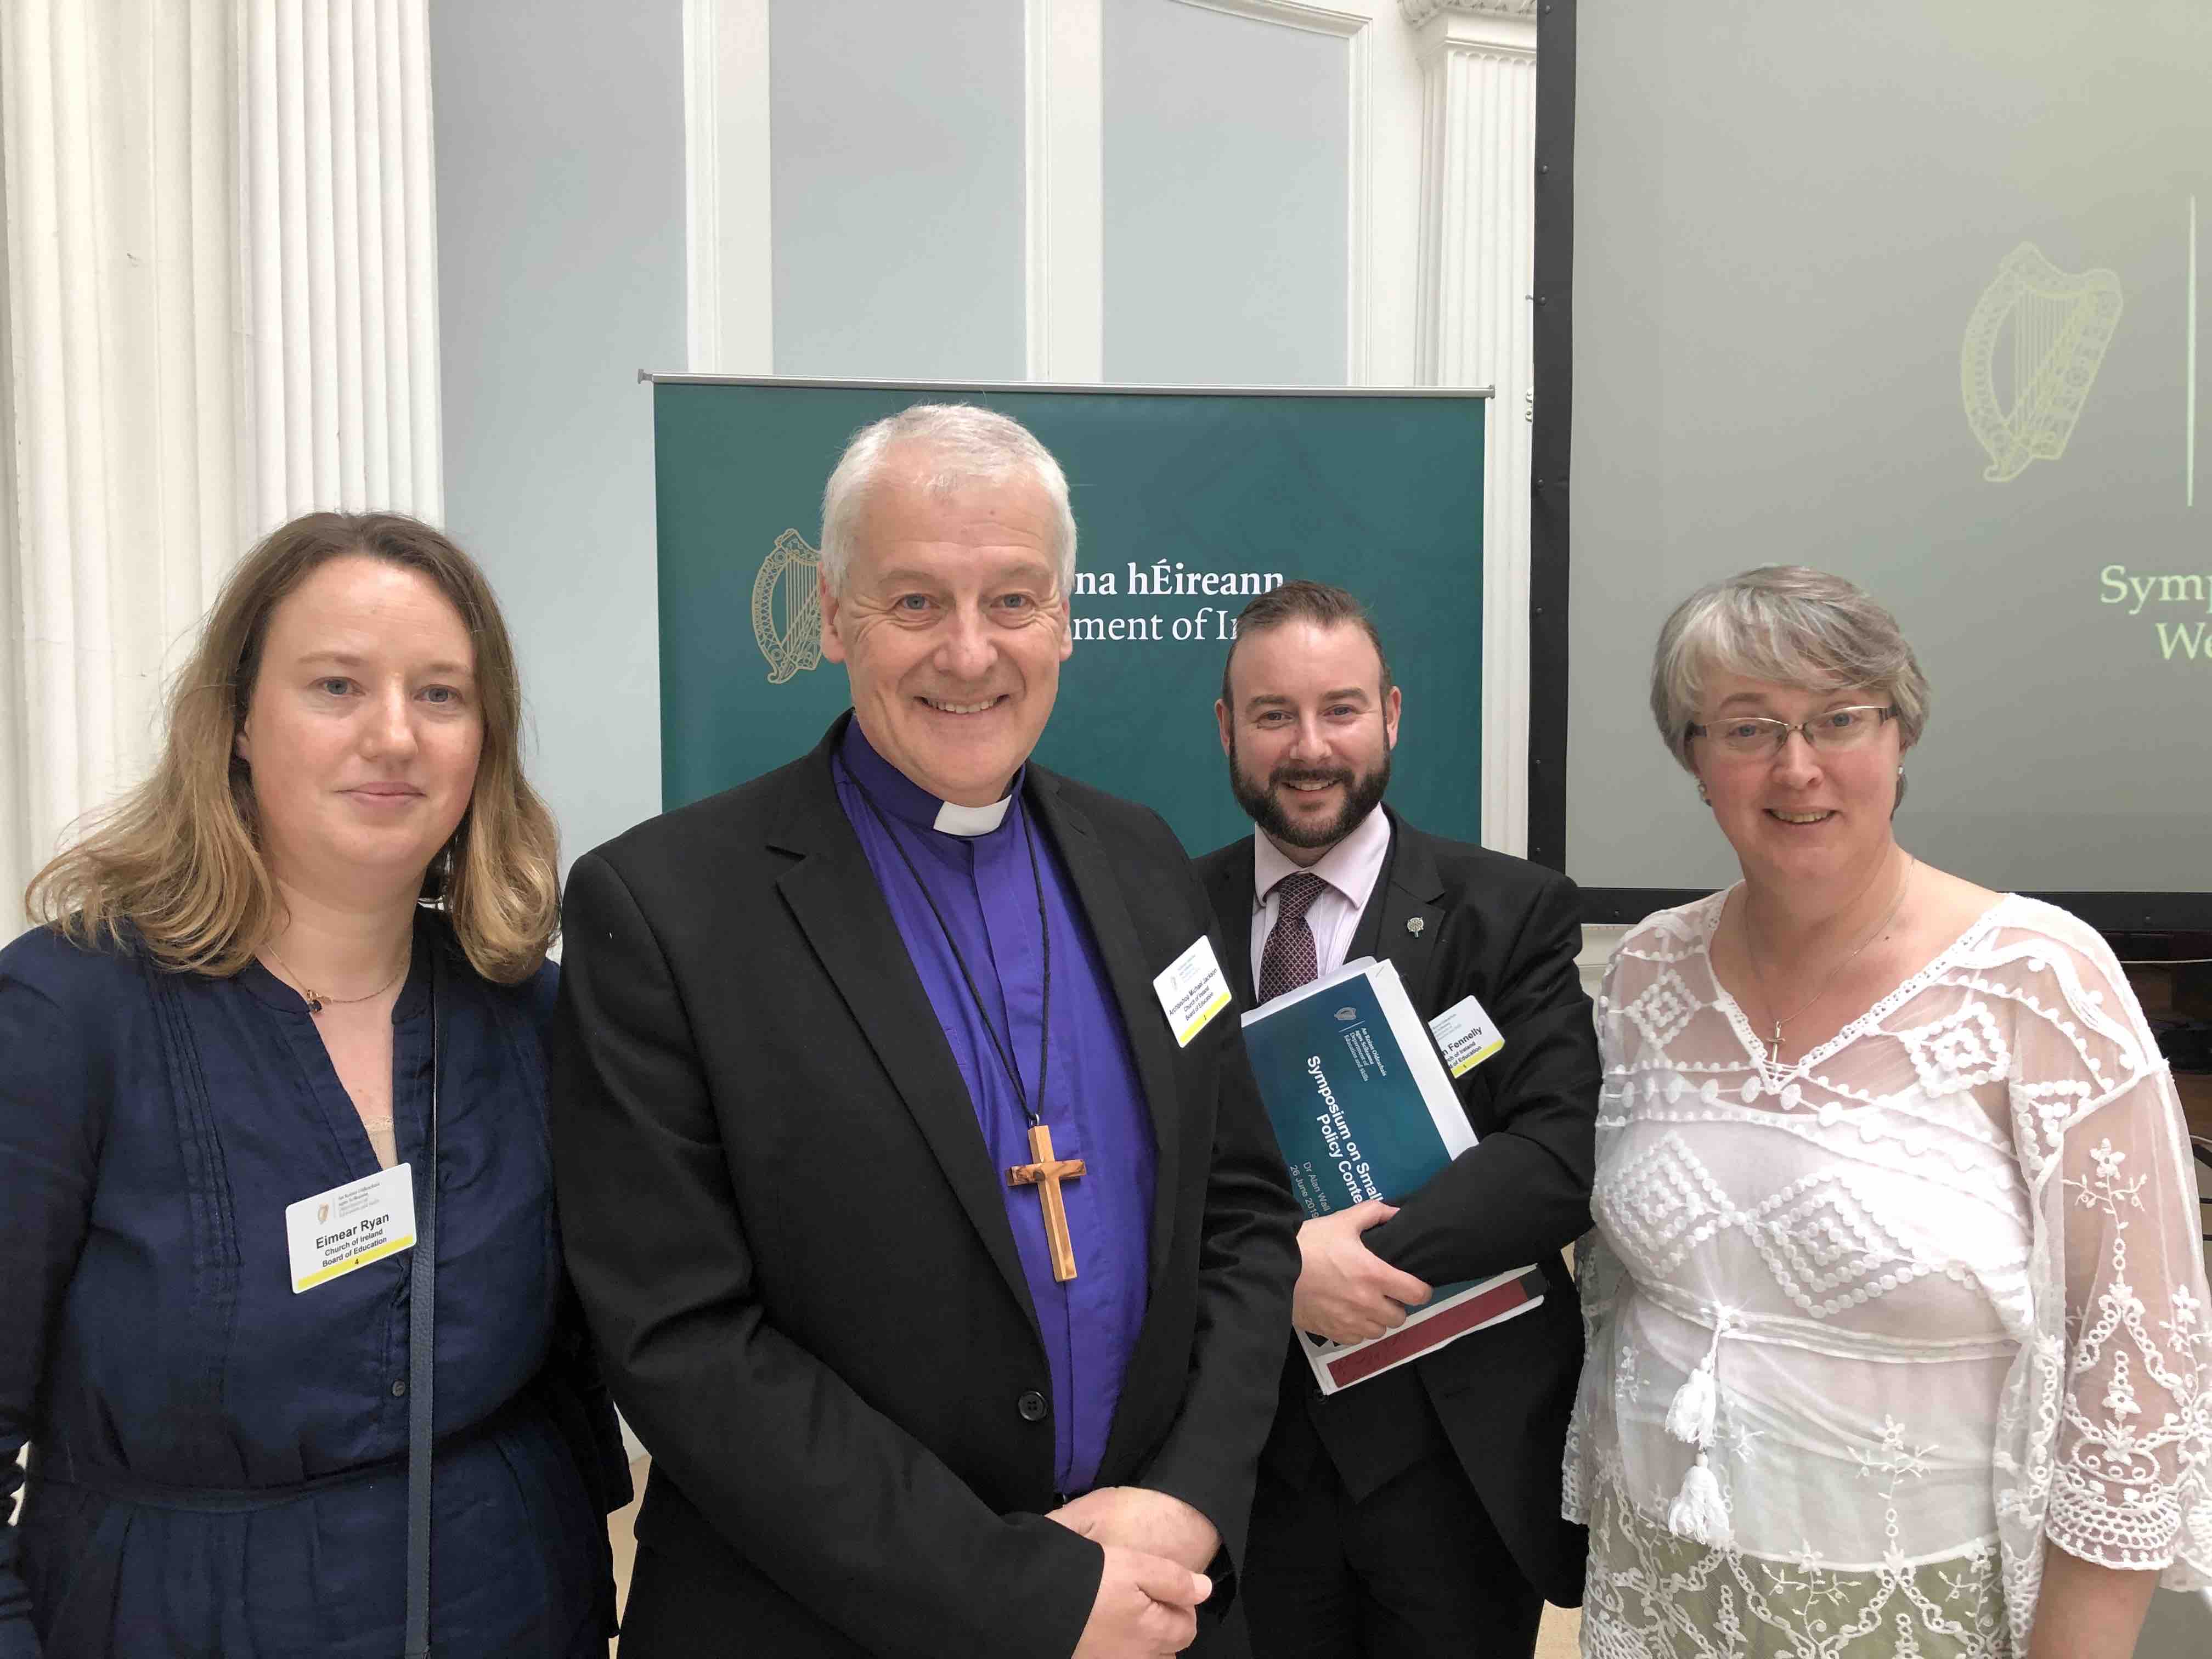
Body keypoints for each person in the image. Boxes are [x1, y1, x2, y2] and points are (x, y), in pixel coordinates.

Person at [549, 403, 1302, 1659]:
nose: (970, 654)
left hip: (1152, 1611)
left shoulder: (1145, 862)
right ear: (836, 619)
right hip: (822, 1624)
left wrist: (1185, 1505)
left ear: (1065, 618)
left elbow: (1239, 1215)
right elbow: (683, 1342)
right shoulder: (666, 909)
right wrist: (1028, 1593)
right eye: (914, 604)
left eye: (1013, 600)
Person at [0, 512, 629, 1657]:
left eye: (441, 694)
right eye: (337, 686)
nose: (394, 735)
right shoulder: (64, 1018)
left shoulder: (532, 1015)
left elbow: (580, 1380)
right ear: (236, 722)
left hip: (515, 1608)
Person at [1569, 565, 2212, 1657]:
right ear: (1695, 761)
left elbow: (2138, 1378)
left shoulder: (2041, 982)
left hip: (1926, 1616)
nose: (1798, 765)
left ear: (1901, 735)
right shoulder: (1647, 975)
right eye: (1746, 728)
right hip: (1660, 1597)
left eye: (1840, 719)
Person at [1192, 582, 1597, 1658]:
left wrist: (1328, 1268)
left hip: (1452, 1466)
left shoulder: (1513, 913)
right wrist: (1275, 1269)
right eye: (1273, 714)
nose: (1309, 746)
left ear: (1393, 716)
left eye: (1341, 709)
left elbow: (1554, 1159)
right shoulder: (1160, 919)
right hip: (1243, 1467)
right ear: (1229, 729)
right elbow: (1140, 1156)